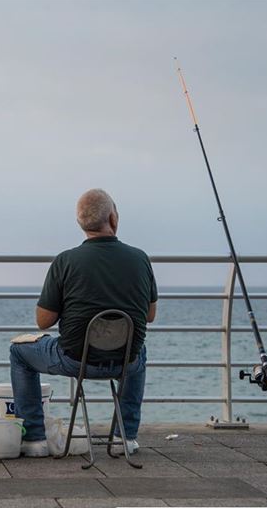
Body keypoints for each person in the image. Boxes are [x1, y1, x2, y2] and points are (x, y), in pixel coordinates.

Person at [9, 189, 157, 457]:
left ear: (81, 223)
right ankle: (126, 437)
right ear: (113, 217)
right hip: (126, 361)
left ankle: (34, 440)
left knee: (19, 352)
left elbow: (43, 321)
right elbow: (149, 315)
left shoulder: (65, 260)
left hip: (75, 360)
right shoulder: (140, 258)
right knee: (141, 349)